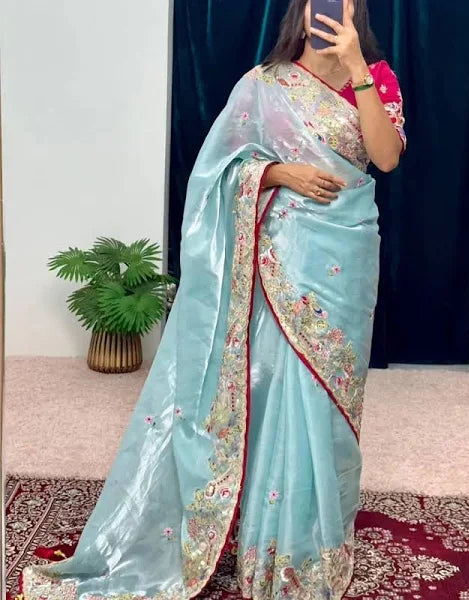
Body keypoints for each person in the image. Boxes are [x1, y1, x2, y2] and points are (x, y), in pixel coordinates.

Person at [21, 1, 406, 599]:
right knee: (277, 383)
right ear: (300, 11)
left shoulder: (377, 78)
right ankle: (265, 538)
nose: (330, 8)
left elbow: (385, 158)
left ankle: (313, 541)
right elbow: (216, 170)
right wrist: (278, 173)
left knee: (332, 394)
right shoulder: (264, 85)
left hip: (345, 257)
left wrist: (357, 65)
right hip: (280, 255)